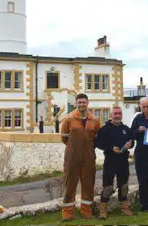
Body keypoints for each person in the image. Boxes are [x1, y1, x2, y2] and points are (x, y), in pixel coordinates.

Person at [60, 93, 101, 221]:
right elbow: (64, 138)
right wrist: (74, 148)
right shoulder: (68, 119)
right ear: (76, 103)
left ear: (87, 103)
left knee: (88, 185)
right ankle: (67, 213)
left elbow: (97, 137)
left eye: (84, 102)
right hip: (72, 157)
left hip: (89, 157)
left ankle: (86, 212)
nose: (82, 104)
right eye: (79, 102)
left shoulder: (94, 120)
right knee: (70, 185)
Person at [94, 106, 134, 219]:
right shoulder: (104, 129)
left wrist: (130, 144)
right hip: (110, 161)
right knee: (108, 187)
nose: (117, 115)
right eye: (115, 113)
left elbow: (132, 142)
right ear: (111, 115)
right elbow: (98, 143)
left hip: (123, 161)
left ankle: (125, 208)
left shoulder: (126, 129)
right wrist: (111, 148)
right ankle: (103, 211)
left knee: (124, 186)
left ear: (121, 115)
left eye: (119, 113)